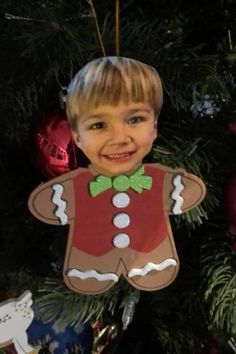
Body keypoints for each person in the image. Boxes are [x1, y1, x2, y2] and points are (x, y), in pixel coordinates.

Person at [28, 57, 206, 295]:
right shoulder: (80, 183)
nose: (119, 137)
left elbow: (181, 190)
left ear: (153, 128)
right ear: (77, 137)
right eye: (99, 125)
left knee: (154, 255)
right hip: (90, 252)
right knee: (89, 260)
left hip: (150, 251)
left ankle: (153, 265)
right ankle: (89, 271)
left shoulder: (155, 179)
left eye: (135, 120)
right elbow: (52, 201)